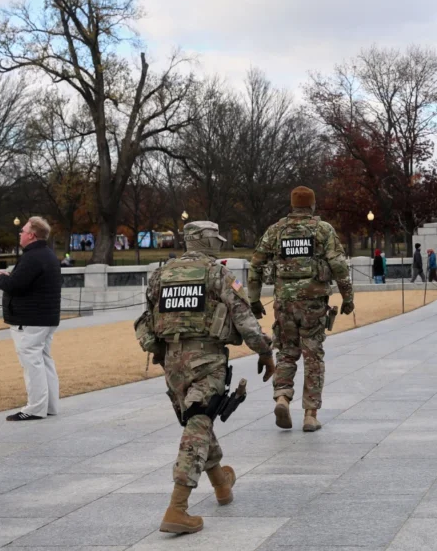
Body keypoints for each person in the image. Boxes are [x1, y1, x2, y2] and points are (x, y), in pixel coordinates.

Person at [134, 220, 276, 535]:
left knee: (198, 419)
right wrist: (265, 353)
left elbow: (147, 319)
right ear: (206, 240)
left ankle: (222, 483)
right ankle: (178, 507)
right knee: (198, 424)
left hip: (172, 362)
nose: (220, 243)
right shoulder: (217, 273)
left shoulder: (160, 274)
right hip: (207, 358)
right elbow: (244, 319)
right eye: (217, 239)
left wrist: (164, 355)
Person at [248, 186, 354, 432]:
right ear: (312, 206)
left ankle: (283, 397)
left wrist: (253, 300)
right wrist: (348, 297)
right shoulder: (322, 229)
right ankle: (310, 414)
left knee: (285, 353)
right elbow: (338, 264)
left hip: (284, 303)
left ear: (292, 206)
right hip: (314, 304)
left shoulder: (276, 230)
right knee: (313, 355)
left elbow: (255, 265)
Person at [0, 216, 62, 422]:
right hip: (44, 318)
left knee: (32, 363)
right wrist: (7, 275)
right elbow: (25, 281)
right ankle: (50, 405)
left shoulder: (33, 257)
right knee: (44, 361)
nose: (20, 234)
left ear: (31, 235)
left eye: (23, 231)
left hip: (29, 320)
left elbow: (15, 287)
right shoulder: (47, 255)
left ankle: (35, 408)